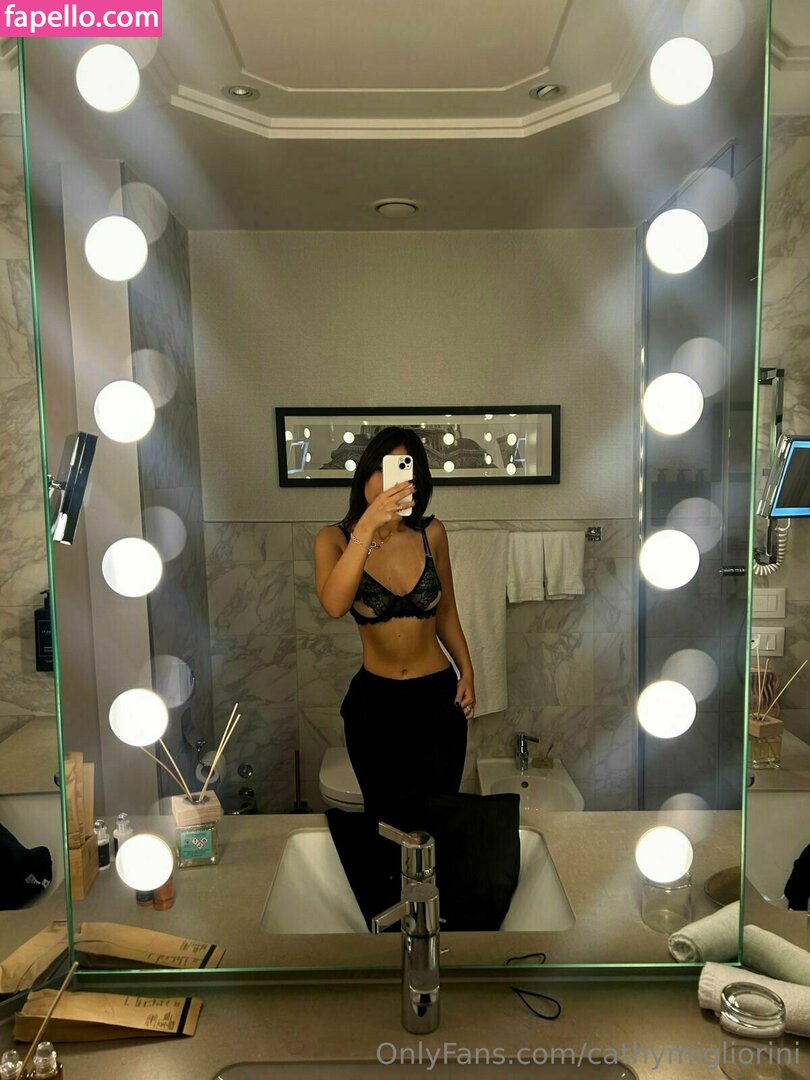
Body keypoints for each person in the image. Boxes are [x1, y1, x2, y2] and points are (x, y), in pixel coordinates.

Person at [314, 426, 476, 811]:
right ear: (365, 473)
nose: (391, 482)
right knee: (385, 823)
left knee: (441, 816)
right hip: (375, 706)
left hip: (438, 699)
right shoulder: (332, 540)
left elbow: (446, 610)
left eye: (403, 471)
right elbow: (334, 605)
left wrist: (467, 671)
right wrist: (367, 525)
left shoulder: (432, 534)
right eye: (383, 470)